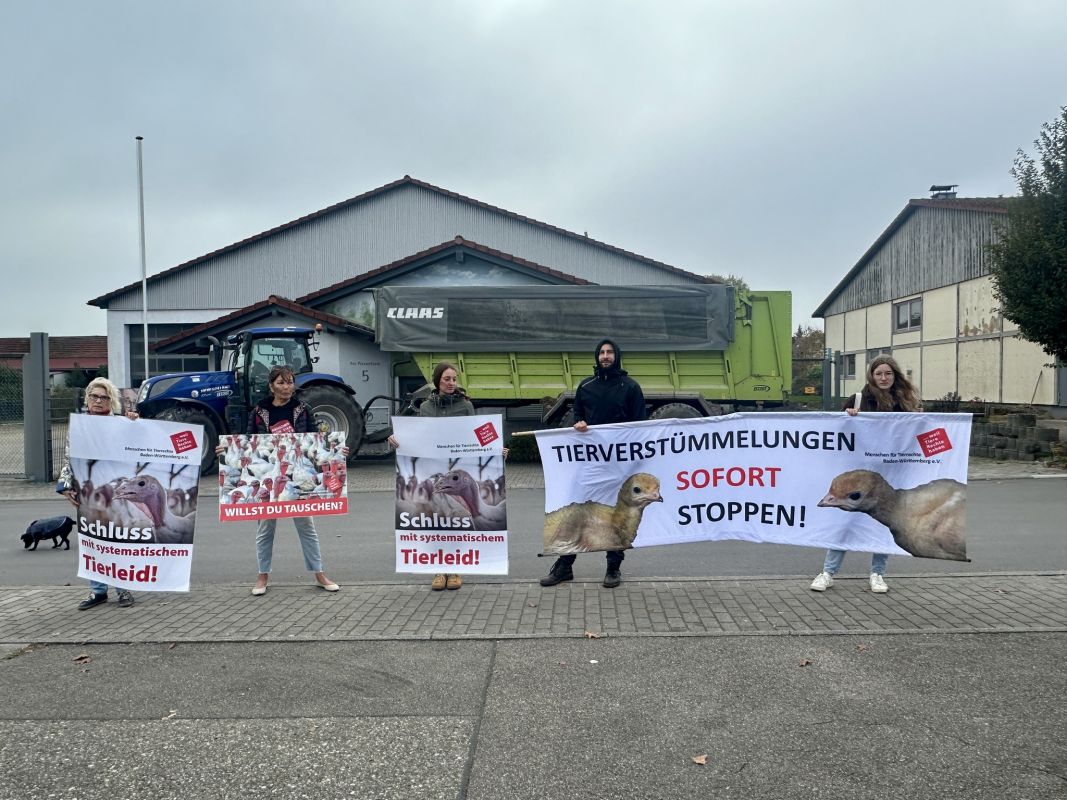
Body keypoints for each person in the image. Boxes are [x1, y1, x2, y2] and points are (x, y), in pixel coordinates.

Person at [810, 355, 922, 595]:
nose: (883, 378)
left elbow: (914, 434)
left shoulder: (905, 402)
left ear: (895, 376)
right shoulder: (858, 400)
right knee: (845, 524)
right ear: (872, 376)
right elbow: (839, 432)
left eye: (888, 373)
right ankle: (828, 572)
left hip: (891, 471)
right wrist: (849, 416)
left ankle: (877, 574)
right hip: (860, 470)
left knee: (884, 524)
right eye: (879, 373)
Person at [540, 338, 646, 589]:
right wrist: (579, 424)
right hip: (591, 463)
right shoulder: (586, 386)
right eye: (602, 353)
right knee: (576, 512)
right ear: (597, 357)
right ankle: (564, 566)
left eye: (610, 352)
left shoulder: (631, 387)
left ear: (617, 356)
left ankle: (613, 568)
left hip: (619, 466)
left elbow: (640, 425)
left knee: (616, 517)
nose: (605, 356)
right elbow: (578, 415)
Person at [245, 365, 339, 596]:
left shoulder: (303, 409)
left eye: (289, 382)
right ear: (271, 386)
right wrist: (224, 450)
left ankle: (319, 573)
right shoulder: (259, 412)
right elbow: (247, 441)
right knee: (265, 528)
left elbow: (317, 440)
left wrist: (336, 451)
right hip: (269, 476)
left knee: (306, 526)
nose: (286, 387)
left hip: (299, 475)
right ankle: (262, 575)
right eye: (281, 383)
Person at [389, 361, 476, 591]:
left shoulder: (466, 406)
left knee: (455, 518)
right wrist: (398, 441)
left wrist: (496, 450)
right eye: (447, 379)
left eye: (454, 379)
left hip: (456, 470)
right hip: (434, 471)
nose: (451, 383)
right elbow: (418, 436)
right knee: (436, 518)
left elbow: (475, 436)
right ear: (437, 381)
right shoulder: (426, 408)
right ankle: (439, 568)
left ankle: (455, 568)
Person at [58, 377, 140, 610]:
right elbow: (69, 457)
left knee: (118, 540)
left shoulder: (122, 423)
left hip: (115, 491)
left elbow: (140, 445)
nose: (98, 400)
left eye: (104, 397)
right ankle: (98, 591)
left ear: (111, 401)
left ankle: (123, 588)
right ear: (87, 398)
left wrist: (134, 423)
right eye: (94, 396)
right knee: (93, 542)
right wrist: (66, 486)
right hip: (88, 491)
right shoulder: (79, 426)